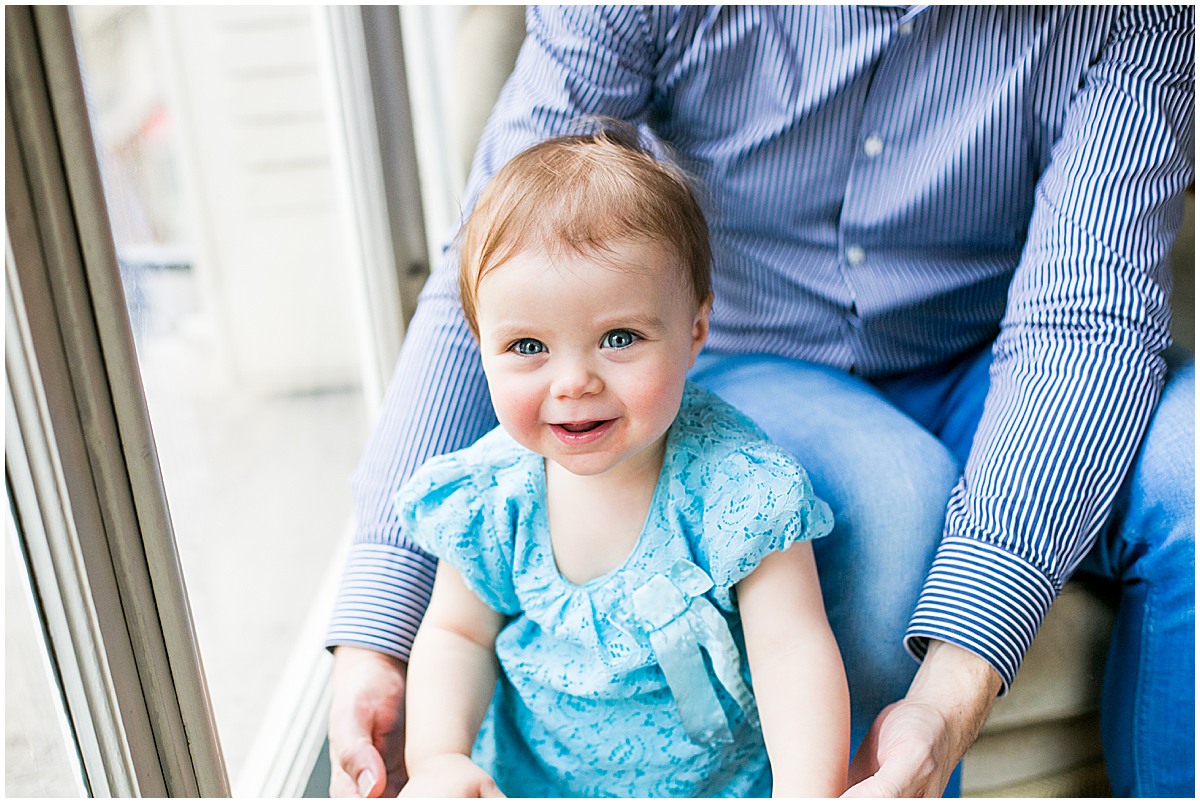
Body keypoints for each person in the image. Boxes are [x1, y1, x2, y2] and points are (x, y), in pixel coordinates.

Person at [327, 6, 1195, 798]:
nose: (569, 380)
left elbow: (1084, 318)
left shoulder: (1137, 21)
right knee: (898, 503)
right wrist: (375, 634)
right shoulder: (503, 489)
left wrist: (955, 682)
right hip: (757, 354)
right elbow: (494, 264)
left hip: (999, 350)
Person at [392, 126, 850, 798]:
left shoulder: (737, 489)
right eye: (527, 346)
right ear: (479, 344)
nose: (574, 381)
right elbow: (458, 632)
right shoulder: (491, 496)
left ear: (694, 332)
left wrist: (806, 789)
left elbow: (791, 647)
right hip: (531, 784)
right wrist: (437, 757)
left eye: (619, 337)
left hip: (718, 787)